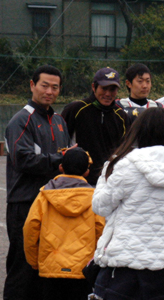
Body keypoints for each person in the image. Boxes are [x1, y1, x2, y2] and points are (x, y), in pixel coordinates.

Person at [92, 107, 164, 300]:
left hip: (126, 263)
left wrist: (106, 171)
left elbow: (100, 206)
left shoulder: (125, 164)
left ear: (140, 130)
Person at [4, 65, 73, 300]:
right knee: (22, 267)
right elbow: (23, 159)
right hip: (25, 203)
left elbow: (65, 156)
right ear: (32, 85)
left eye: (55, 87)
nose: (49, 91)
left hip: (53, 205)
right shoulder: (21, 120)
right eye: (44, 85)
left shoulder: (59, 121)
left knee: (47, 265)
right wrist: (60, 161)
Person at [23, 147, 105, 300]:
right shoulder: (94, 199)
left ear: (61, 167)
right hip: (83, 269)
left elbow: (30, 228)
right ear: (87, 171)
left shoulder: (44, 195)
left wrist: (34, 261)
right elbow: (101, 232)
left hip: (51, 266)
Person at [61, 67, 130, 186]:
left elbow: (126, 149)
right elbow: (61, 142)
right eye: (104, 88)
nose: (108, 94)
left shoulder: (121, 116)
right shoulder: (76, 109)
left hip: (110, 182)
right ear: (94, 87)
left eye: (112, 89)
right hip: (78, 182)